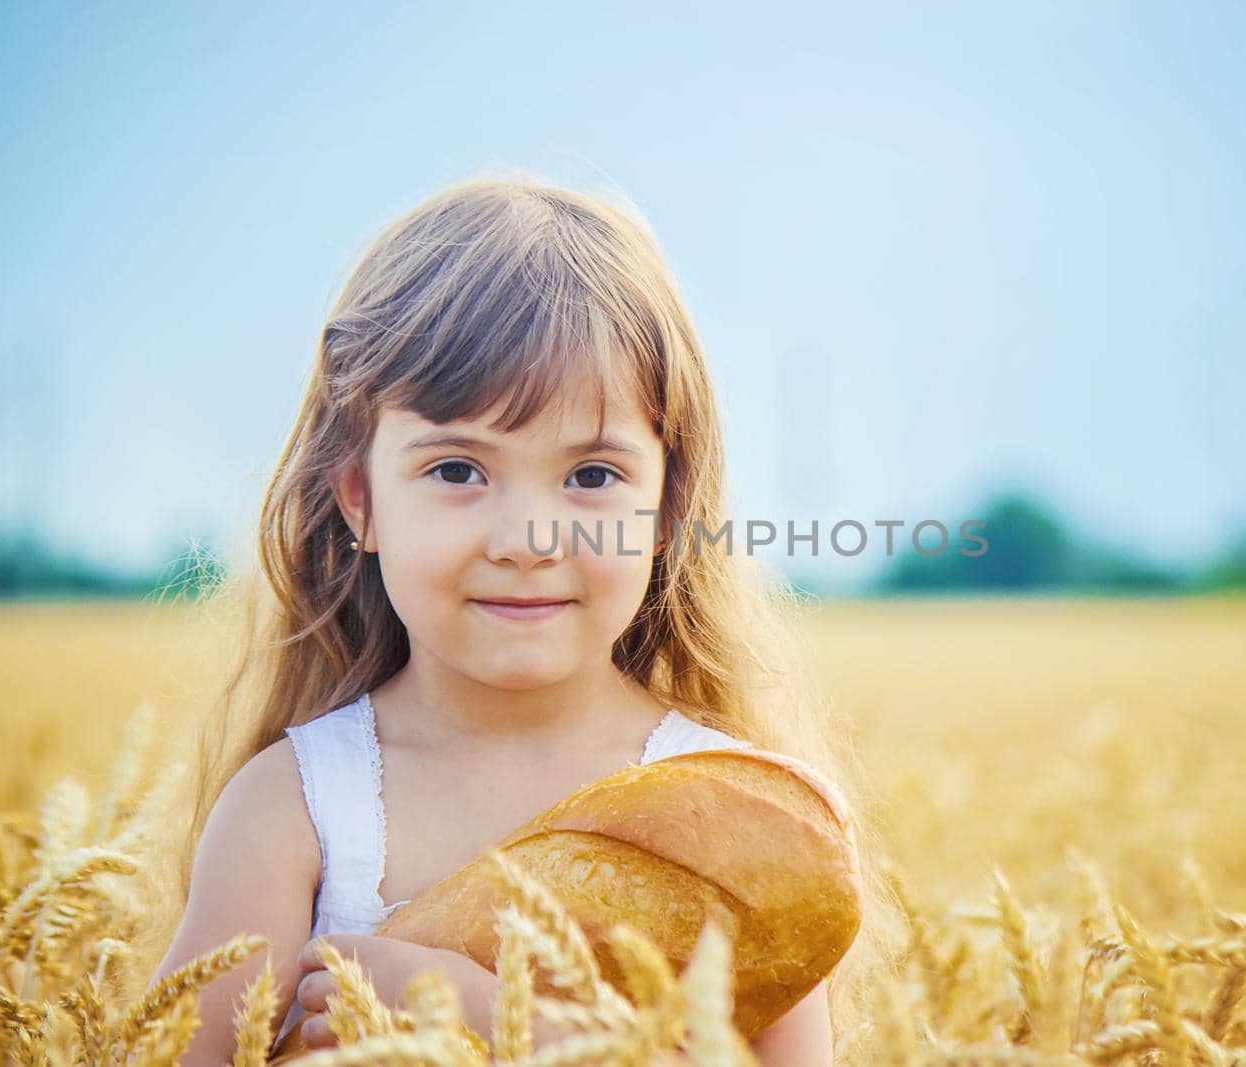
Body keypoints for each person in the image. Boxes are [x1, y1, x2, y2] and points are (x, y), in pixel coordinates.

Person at [145, 171, 893, 1065]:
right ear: (360, 500)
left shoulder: (740, 823)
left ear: (665, 510)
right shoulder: (296, 810)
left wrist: (478, 1011)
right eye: (459, 470)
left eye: (590, 475)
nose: (527, 539)